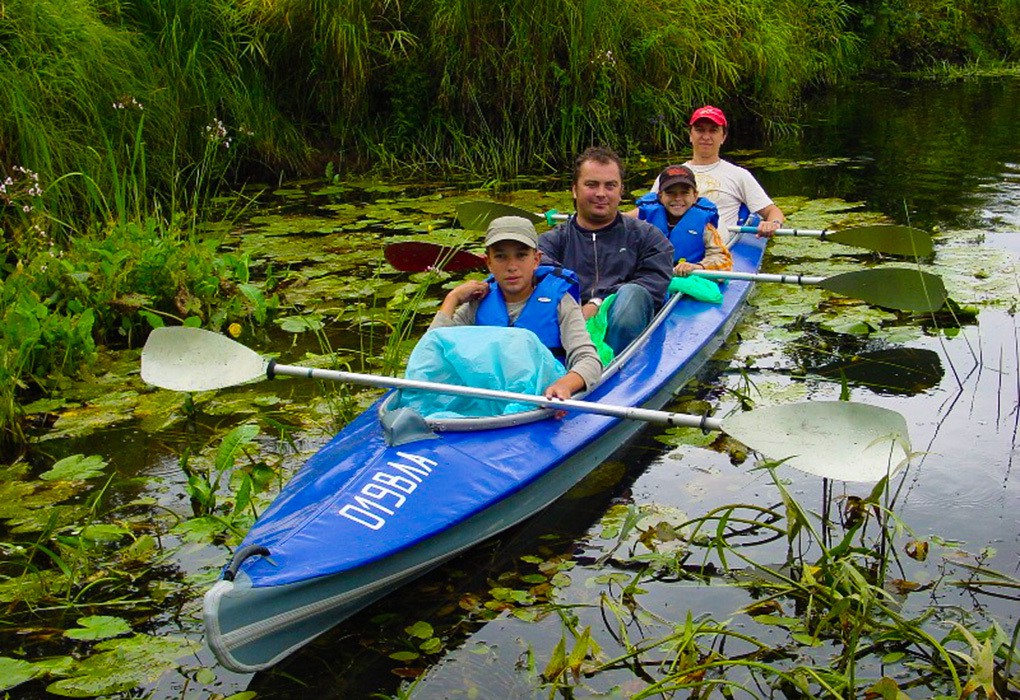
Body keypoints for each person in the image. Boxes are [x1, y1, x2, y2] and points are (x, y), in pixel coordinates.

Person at [429, 215, 602, 399]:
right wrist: (452, 298)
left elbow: (589, 360)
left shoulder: (561, 301)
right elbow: (432, 355)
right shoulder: (478, 303)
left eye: (521, 255)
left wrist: (564, 385)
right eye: (501, 257)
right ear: (489, 263)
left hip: (542, 400)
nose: (512, 266)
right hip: (488, 400)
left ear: (536, 260)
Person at [538, 146, 674, 355]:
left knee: (633, 293)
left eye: (610, 186)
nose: (601, 194)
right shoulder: (550, 243)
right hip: (568, 329)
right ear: (575, 189)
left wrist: (598, 303)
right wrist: (575, 312)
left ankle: (609, 368)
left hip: (623, 333)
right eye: (592, 185)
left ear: (621, 191)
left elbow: (653, 284)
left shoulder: (650, 238)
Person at [650, 105, 785, 235]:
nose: (706, 137)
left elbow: (771, 211)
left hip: (718, 248)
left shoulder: (739, 175)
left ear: (723, 137)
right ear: (690, 135)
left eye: (713, 130)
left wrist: (773, 223)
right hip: (673, 246)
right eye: (700, 130)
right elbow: (645, 210)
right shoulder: (670, 175)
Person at [625, 164, 733, 276]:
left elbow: (724, 261)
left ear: (695, 196)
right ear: (660, 196)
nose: (677, 198)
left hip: (688, 279)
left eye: (684, 193)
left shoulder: (705, 226)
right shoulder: (644, 223)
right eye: (670, 193)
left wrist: (698, 267)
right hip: (650, 278)